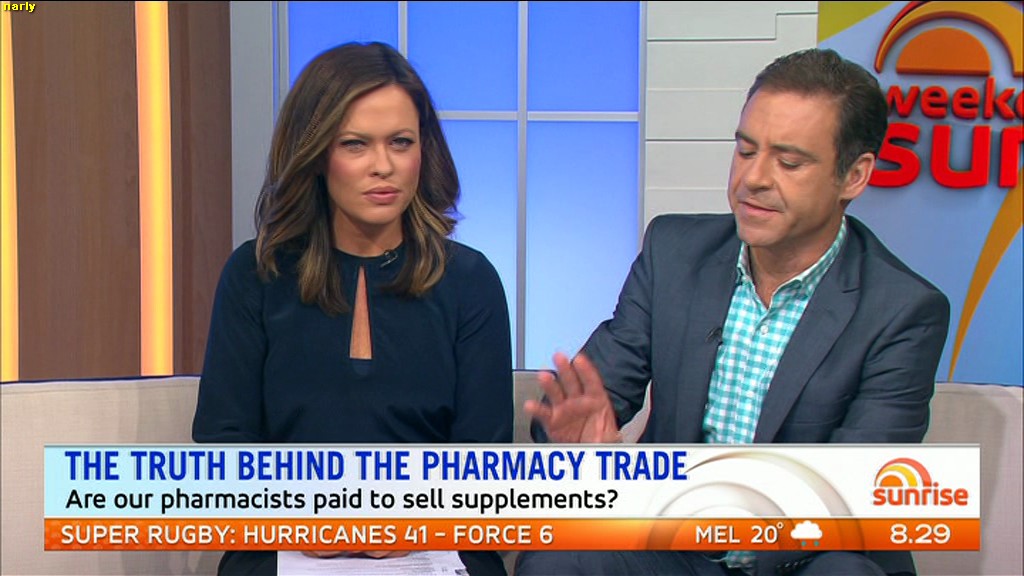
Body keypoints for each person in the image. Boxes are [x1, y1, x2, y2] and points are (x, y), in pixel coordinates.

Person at [518, 48, 950, 576]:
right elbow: (583, 410)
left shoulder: (903, 309)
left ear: (853, 176)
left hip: (804, 559)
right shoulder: (674, 252)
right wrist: (580, 451)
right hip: (672, 553)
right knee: (558, 558)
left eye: (789, 162)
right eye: (746, 150)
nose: (754, 178)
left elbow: (848, 494)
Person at [192, 42, 512, 576]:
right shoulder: (256, 274)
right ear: (317, 153)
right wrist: (297, 520)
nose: (383, 166)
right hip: (286, 543)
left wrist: (412, 522)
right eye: (355, 144)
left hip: (432, 545)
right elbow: (223, 446)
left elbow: (485, 465)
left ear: (424, 151)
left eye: (401, 142)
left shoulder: (470, 282)